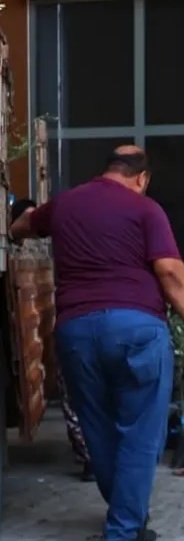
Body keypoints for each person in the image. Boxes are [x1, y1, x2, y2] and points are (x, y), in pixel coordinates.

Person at [11, 146, 184, 541]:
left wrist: (15, 226)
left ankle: (126, 510)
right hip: (136, 327)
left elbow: (23, 226)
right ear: (142, 177)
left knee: (97, 427)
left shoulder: (65, 203)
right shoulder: (146, 209)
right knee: (140, 430)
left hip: (76, 331)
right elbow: (170, 271)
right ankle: (123, 528)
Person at [10, 197, 93, 481]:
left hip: (75, 325)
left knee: (76, 395)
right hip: (98, 326)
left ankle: (91, 457)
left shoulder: (64, 229)